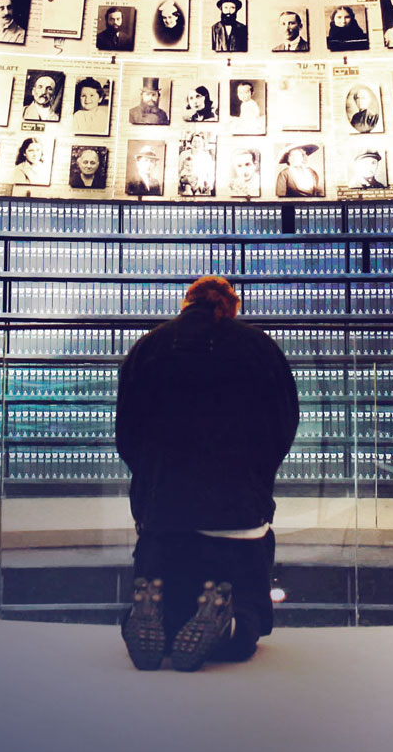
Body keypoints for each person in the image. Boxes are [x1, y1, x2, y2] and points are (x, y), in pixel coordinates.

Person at [115, 274, 298, 673]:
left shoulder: (150, 346)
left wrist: (150, 486)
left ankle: (148, 615)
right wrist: (255, 478)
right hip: (235, 513)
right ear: (230, 306)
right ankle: (228, 626)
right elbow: (283, 425)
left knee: (169, 591)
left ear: (187, 303)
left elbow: (127, 431)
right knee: (248, 609)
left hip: (163, 513)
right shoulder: (258, 348)